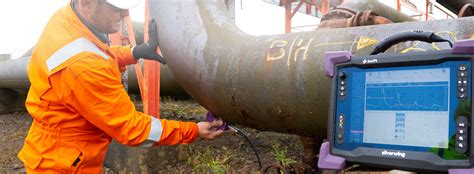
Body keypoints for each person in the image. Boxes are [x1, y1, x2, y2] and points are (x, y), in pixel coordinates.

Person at [17, 0, 225, 173]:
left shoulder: (66, 19)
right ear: (87, 3)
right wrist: (192, 130)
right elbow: (134, 129)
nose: (125, 12)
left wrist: (135, 52)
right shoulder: (83, 67)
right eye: (116, 7)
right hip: (64, 165)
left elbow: (97, 53)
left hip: (53, 149)